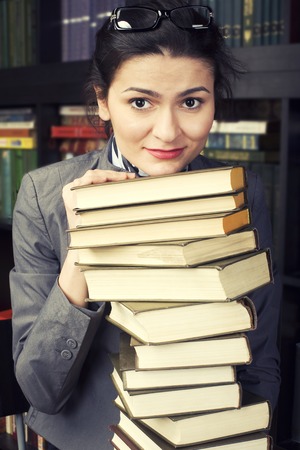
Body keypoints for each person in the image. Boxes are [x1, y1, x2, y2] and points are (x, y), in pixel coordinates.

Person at [10, 1, 281, 449]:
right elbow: (39, 391)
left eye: (192, 102)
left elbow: (261, 354)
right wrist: (84, 251)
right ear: (102, 101)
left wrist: (247, 435)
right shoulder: (43, 195)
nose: (168, 132)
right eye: (141, 102)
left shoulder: (242, 192)